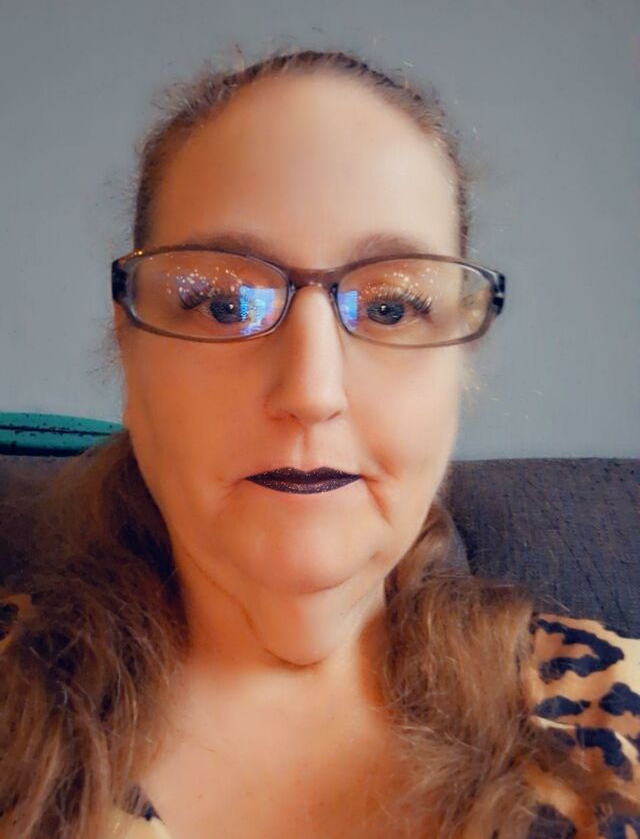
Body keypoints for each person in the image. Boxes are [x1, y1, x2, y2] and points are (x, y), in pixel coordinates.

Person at [0, 46, 638, 839]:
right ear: (130, 352)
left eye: (392, 307)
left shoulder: (612, 721)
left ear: (461, 368)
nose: (311, 391)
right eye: (223, 304)